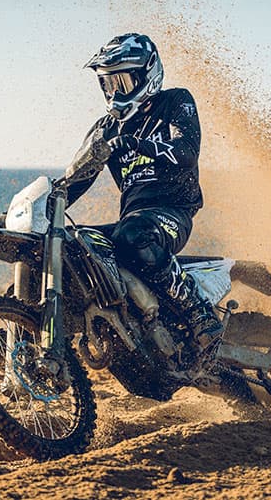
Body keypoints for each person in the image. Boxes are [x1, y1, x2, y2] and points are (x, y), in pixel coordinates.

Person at [63, 33, 223, 355]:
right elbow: (76, 181)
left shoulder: (175, 102)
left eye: (123, 82)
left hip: (172, 214)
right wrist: (39, 206)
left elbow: (186, 152)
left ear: (148, 74)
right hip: (134, 219)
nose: (115, 92)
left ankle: (197, 310)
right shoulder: (106, 129)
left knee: (132, 233)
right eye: (108, 84)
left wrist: (137, 144)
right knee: (71, 244)